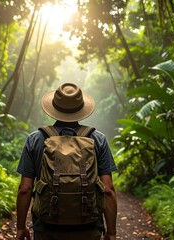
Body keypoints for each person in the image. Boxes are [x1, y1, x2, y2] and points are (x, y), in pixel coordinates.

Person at [16, 82, 117, 240]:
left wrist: (21, 227)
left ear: (53, 109)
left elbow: (25, 188)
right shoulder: (98, 139)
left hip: (46, 228)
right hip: (88, 228)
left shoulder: (35, 140)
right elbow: (108, 189)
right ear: (81, 109)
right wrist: (111, 232)